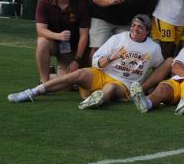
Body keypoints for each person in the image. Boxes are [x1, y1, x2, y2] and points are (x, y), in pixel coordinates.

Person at [9, 14, 163, 110]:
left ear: (148, 31)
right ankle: (32, 92)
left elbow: (159, 68)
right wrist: (111, 58)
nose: (135, 29)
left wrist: (149, 89)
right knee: (77, 74)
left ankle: (94, 100)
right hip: (103, 73)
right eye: (134, 26)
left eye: (140, 27)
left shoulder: (154, 48)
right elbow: (96, 60)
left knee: (109, 88)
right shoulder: (118, 38)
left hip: (124, 84)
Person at [33, 0, 91, 85]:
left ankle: (52, 76)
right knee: (42, 42)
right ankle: (44, 84)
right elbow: (40, 30)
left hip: (71, 50)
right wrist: (58, 36)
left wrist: (76, 60)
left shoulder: (81, 5)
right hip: (54, 44)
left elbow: (84, 35)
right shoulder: (43, 1)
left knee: (67, 84)